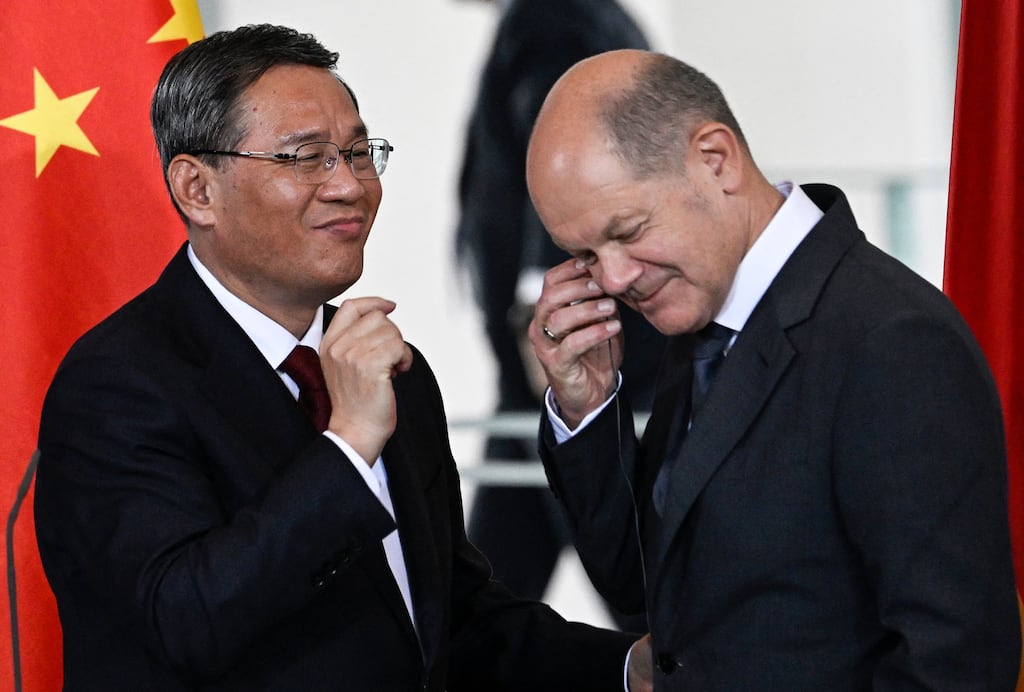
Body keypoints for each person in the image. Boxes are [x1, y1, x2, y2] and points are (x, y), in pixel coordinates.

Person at [33, 24, 651, 691]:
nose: (349, 186)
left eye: (359, 153)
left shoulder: (395, 375)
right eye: (306, 158)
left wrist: (627, 667)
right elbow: (185, 619)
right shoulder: (118, 381)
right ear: (197, 189)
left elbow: (455, 625)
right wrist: (349, 443)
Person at [525, 49, 1022, 689]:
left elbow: (955, 660)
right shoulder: (702, 315)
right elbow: (651, 592)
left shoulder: (893, 339)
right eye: (586, 254)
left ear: (716, 159)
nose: (614, 278)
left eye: (627, 230)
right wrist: (586, 407)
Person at [453, 0, 664, 629]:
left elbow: (572, 171)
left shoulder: (552, 19)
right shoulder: (583, 15)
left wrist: (550, 325)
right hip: (548, 359)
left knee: (634, 592)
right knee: (485, 592)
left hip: (556, 355)